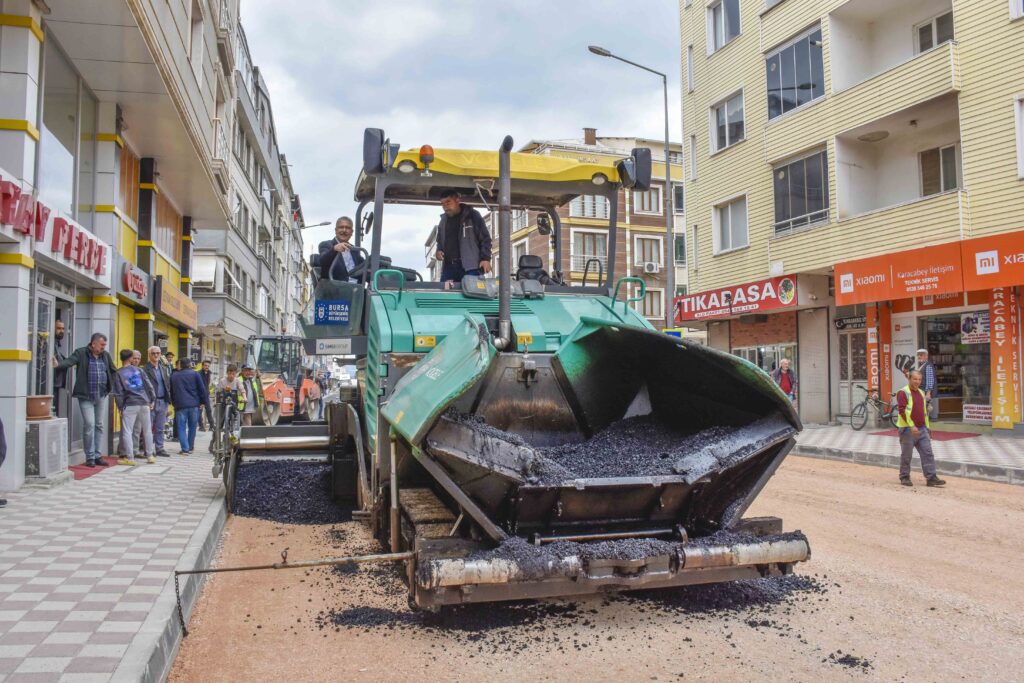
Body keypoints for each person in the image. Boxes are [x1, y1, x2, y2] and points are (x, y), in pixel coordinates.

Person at [54, 332, 120, 467]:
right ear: (93, 343)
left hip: (101, 395)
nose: (103, 347)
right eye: (102, 345)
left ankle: (97, 455)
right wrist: (58, 365)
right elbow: (69, 361)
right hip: (86, 395)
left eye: (105, 345)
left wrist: (110, 386)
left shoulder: (105, 356)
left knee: (99, 425)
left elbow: (113, 370)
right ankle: (90, 456)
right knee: (89, 424)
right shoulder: (81, 353)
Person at [896, 370, 946, 488]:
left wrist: (928, 427)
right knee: (907, 454)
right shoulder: (903, 392)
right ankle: (904, 477)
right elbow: (902, 411)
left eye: (919, 379)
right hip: (908, 429)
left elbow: (924, 412)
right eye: (915, 379)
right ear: (909, 379)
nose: (917, 381)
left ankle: (931, 478)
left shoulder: (921, 393)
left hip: (922, 429)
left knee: (928, 453)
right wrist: (911, 425)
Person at [434, 189, 492, 283]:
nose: (445, 206)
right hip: (449, 267)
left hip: (471, 266)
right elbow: (439, 240)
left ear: (457, 200)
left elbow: (485, 239)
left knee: (473, 294)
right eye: (443, 204)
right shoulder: (443, 220)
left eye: (448, 202)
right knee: (445, 296)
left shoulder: (473, 215)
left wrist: (485, 259)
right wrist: (439, 250)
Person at [113, 349, 156, 465]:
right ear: (131, 358)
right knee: (147, 430)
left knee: (127, 431)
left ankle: (130, 458)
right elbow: (149, 385)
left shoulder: (118, 373)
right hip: (144, 402)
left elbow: (118, 393)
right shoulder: (139, 370)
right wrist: (152, 399)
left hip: (130, 403)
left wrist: (120, 407)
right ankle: (150, 455)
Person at [169, 358, 211, 455]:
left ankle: (185, 449)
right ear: (189, 365)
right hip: (194, 405)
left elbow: (171, 391)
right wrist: (203, 402)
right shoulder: (195, 374)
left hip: (180, 405)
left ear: (180, 365)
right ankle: (190, 446)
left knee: (181, 427)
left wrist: (174, 403)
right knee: (192, 427)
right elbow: (202, 389)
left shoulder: (174, 376)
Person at [143, 346, 174, 457]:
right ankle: (149, 450)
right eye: (153, 353)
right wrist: (147, 400)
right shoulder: (145, 369)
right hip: (151, 402)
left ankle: (159, 448)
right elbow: (143, 387)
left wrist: (169, 399)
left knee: (160, 427)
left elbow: (168, 385)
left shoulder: (164, 369)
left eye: (158, 353)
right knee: (149, 427)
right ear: (149, 355)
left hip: (163, 401)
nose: (156, 355)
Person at [318, 216, 364, 282]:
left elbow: (363, 267)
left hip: (356, 289)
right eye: (341, 227)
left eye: (347, 228)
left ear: (352, 232)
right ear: (336, 230)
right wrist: (334, 249)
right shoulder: (326, 245)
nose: (344, 230)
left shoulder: (354, 251)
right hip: (334, 288)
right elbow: (323, 261)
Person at [914, 348, 939, 420]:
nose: (919, 356)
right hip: (923, 391)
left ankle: (933, 429)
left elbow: (930, 380)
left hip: (927, 392)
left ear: (926, 356)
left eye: (921, 355)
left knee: (931, 412)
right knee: (926, 410)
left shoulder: (928, 365)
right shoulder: (923, 365)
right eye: (918, 355)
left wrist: (928, 393)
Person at [52, 319, 68, 416]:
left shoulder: (57, 344)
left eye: (63, 328)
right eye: (58, 328)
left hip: (56, 383)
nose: (61, 331)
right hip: (51, 383)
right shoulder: (51, 344)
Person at [198, 360, 213, 431]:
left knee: (208, 410)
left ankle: (212, 425)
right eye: (205, 365)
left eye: (208, 366)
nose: (207, 367)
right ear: (202, 366)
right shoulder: (198, 374)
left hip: (206, 394)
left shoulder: (209, 373)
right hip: (200, 395)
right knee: (199, 411)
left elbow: (207, 384)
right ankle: (201, 426)